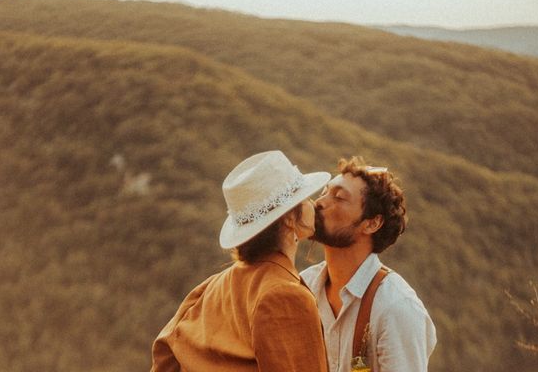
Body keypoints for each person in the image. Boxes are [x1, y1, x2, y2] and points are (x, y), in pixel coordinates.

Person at [150, 150, 331, 372]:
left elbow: (165, 356)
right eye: (304, 198)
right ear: (289, 219)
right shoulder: (285, 295)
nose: (312, 203)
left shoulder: (210, 287)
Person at [301, 156, 436, 372]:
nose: (319, 202)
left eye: (339, 197)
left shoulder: (396, 307)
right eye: (324, 192)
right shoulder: (303, 287)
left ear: (372, 223)